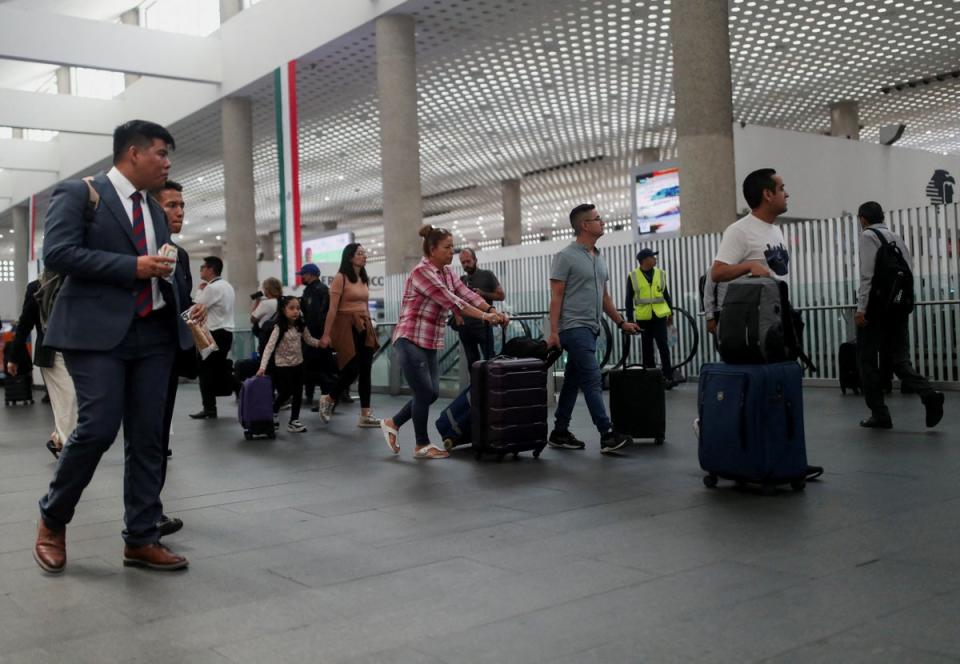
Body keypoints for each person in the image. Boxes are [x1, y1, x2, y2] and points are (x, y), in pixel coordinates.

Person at [34, 119, 197, 574]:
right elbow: (59, 254)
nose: (167, 163)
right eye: (162, 153)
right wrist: (132, 267)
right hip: (96, 333)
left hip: (155, 333)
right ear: (133, 153)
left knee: (149, 438)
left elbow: (161, 269)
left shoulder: (153, 207)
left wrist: (183, 308)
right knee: (98, 427)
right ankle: (52, 517)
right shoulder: (79, 194)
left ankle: (141, 538)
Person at [379, 226, 507, 459]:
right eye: (447, 248)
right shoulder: (422, 272)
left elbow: (466, 293)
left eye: (452, 247)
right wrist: (485, 316)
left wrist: (490, 309)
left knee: (432, 393)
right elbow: (453, 302)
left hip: (429, 340)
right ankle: (421, 444)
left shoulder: (447, 272)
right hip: (409, 338)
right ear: (432, 249)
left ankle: (393, 423)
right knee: (424, 391)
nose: (452, 252)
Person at [546, 204, 639, 454]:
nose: (603, 222)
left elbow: (605, 298)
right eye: (598, 219)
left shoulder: (599, 257)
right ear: (585, 226)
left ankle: (559, 432)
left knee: (572, 382)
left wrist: (621, 322)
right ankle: (607, 433)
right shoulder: (565, 256)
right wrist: (553, 332)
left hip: (592, 327)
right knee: (592, 378)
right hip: (574, 328)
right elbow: (556, 296)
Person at [854, 201, 944, 429]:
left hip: (875, 311)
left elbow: (867, 276)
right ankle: (929, 393)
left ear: (863, 219)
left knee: (866, 360)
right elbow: (909, 271)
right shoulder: (896, 236)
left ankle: (880, 414)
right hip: (898, 308)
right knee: (899, 360)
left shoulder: (867, 236)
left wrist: (861, 308)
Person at [152, 179, 203, 538]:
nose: (180, 212)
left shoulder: (180, 255)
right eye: (172, 205)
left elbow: (181, 303)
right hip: (137, 353)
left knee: (156, 436)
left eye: (182, 205)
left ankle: (148, 510)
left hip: (168, 355)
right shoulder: (139, 251)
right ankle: (55, 511)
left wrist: (193, 310)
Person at [6, 279, 77, 459]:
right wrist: (13, 358)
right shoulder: (37, 287)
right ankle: (69, 452)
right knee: (68, 400)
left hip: (76, 353)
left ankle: (58, 440)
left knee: (71, 401)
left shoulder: (75, 281)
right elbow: (24, 325)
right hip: (52, 355)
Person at [317, 243, 381, 428]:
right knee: (352, 367)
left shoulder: (363, 277)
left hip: (364, 324)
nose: (364, 256)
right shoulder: (340, 278)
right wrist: (326, 335)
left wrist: (370, 324)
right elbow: (332, 309)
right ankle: (329, 398)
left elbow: (365, 304)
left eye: (364, 253)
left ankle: (365, 414)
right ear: (350, 257)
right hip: (346, 325)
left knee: (366, 369)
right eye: (359, 253)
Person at [257, 295, 322, 432]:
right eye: (291, 308)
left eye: (297, 308)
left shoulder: (300, 326)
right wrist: (262, 367)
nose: (295, 311)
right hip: (282, 366)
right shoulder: (278, 328)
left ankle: (294, 421)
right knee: (286, 392)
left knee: (298, 392)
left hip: (298, 364)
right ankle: (274, 409)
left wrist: (320, 343)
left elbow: (309, 339)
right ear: (283, 310)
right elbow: (269, 348)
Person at [190, 255, 236, 419]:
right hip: (226, 332)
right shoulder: (227, 286)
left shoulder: (212, 288)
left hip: (213, 333)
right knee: (219, 369)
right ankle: (240, 389)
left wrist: (200, 289)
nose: (201, 270)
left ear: (211, 269)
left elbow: (195, 308)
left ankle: (210, 408)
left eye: (203, 267)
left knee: (206, 372)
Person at [625, 248, 675, 388]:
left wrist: (671, 312)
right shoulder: (633, 276)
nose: (655, 259)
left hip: (659, 316)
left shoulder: (660, 273)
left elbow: (666, 294)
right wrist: (630, 320)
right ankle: (652, 379)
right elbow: (629, 299)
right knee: (647, 350)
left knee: (663, 347)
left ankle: (668, 377)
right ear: (645, 260)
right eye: (653, 257)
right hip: (643, 318)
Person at [455, 248, 504, 369]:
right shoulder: (462, 280)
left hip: (484, 325)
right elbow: (454, 301)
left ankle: (492, 386)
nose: (466, 265)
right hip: (466, 328)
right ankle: (476, 387)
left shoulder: (487, 275)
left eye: (468, 261)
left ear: (475, 260)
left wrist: (483, 294)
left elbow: (501, 295)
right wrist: (457, 316)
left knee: (490, 361)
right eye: (463, 263)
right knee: (472, 363)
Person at [297, 263, 336, 407]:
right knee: (315, 369)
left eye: (303, 274)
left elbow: (315, 316)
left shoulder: (316, 291)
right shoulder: (315, 290)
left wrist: (314, 336)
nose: (301, 277)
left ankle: (326, 402)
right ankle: (321, 400)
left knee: (321, 370)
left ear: (310, 274)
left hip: (316, 337)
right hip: (317, 336)